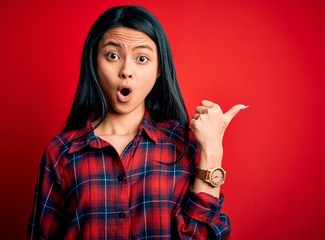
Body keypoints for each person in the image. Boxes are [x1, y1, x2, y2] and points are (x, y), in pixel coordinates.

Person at [27, 5, 247, 240]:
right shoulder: (61, 153)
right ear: (94, 62)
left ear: (159, 69)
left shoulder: (184, 146)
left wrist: (212, 152)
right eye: (112, 55)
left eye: (142, 58)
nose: (126, 71)